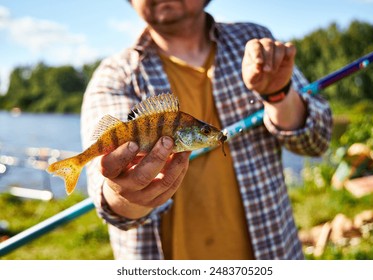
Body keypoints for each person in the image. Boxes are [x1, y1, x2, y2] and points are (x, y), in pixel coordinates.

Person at [81, 0, 332, 260]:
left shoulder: (255, 45)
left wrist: (279, 95)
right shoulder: (114, 75)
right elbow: (109, 198)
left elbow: (317, 143)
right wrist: (124, 193)